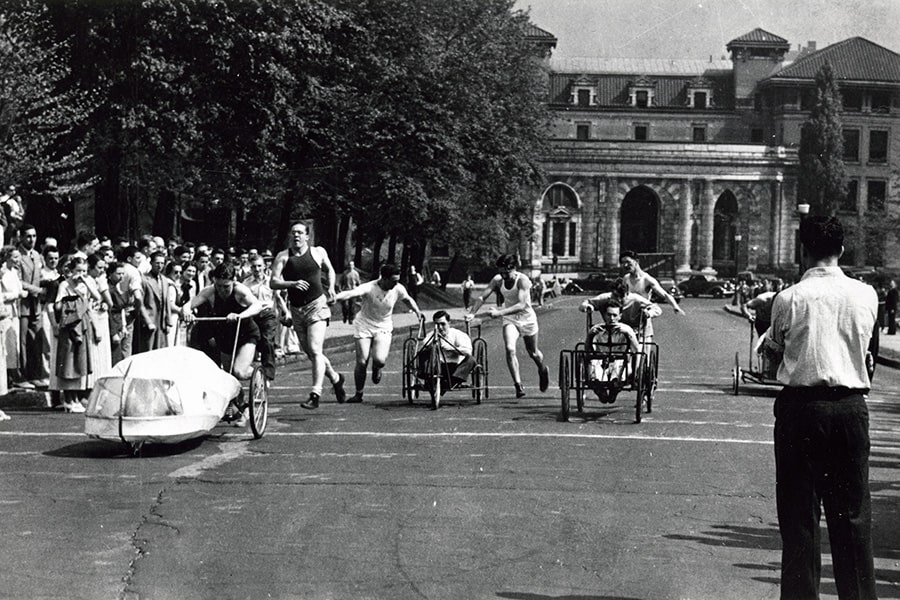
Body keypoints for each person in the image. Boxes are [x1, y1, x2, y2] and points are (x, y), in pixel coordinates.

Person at [762, 215, 878, 600]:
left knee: (800, 522)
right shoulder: (866, 295)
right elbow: (867, 353)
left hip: (802, 410)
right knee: (853, 521)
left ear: (803, 250)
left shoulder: (790, 298)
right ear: (842, 249)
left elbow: (771, 356)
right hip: (850, 408)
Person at [270, 222, 345, 409]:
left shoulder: (318, 252)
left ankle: (315, 394)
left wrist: (332, 288)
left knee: (315, 348)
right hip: (296, 309)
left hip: (317, 305)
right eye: (293, 232)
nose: (296, 236)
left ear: (307, 236)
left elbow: (330, 270)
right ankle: (336, 379)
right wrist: (291, 284)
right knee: (312, 353)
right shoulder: (283, 256)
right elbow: (273, 282)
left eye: (300, 233)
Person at [182, 262, 264, 426]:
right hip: (226, 336)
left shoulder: (240, 290)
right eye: (218, 285)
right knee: (229, 378)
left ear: (233, 281)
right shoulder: (210, 291)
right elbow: (190, 303)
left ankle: (258, 376)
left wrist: (241, 315)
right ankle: (243, 410)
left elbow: (257, 305)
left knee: (239, 371)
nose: (222, 290)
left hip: (246, 334)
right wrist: (187, 312)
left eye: (226, 286)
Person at [333, 263, 423, 403]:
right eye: (393, 281)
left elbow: (408, 299)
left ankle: (377, 368)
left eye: (397, 281)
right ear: (384, 278)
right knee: (362, 361)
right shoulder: (370, 287)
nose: (395, 284)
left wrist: (418, 312)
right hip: (364, 324)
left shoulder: (398, 288)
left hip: (383, 326)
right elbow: (350, 293)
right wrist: (334, 298)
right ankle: (359, 394)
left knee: (380, 360)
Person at [466, 254, 549, 399]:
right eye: (501, 272)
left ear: (514, 269)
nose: (504, 275)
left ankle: (542, 370)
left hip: (527, 318)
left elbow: (522, 304)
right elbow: (482, 297)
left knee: (533, 352)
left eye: (506, 272)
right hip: (510, 319)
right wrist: (472, 313)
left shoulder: (522, 280)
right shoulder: (498, 280)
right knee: (510, 348)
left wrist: (499, 312)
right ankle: (518, 385)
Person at [51, 256, 102, 413]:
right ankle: (68, 398)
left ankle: (76, 397)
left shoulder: (86, 284)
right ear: (71, 271)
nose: (81, 274)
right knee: (68, 360)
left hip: (83, 323)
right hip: (70, 323)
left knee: (80, 360)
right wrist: (69, 299)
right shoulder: (65, 284)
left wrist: (86, 282)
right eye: (78, 271)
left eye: (84, 271)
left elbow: (97, 297)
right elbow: (57, 304)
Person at [584, 298, 640, 403]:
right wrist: (591, 336)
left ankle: (615, 387)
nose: (612, 318)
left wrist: (629, 336)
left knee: (620, 365)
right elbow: (587, 351)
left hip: (620, 362)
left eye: (615, 315)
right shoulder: (596, 329)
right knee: (593, 363)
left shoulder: (627, 329)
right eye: (609, 315)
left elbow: (637, 350)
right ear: (604, 315)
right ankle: (599, 388)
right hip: (601, 361)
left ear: (620, 316)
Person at [242, 255, 281, 381]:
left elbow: (278, 298)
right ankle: (248, 369)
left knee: (267, 340)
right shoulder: (246, 283)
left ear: (264, 266)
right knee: (252, 341)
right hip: (253, 314)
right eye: (254, 267)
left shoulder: (271, 281)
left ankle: (268, 374)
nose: (257, 269)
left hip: (267, 314)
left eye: (259, 266)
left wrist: (286, 312)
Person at [17, 224, 45, 388]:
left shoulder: (37, 255)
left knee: (37, 340)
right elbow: (18, 280)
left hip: (36, 304)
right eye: (28, 236)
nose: (31, 240)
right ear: (21, 237)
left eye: (34, 236)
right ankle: (24, 376)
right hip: (23, 304)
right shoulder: (17, 256)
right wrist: (38, 290)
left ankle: (36, 374)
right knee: (23, 341)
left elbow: (40, 276)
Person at [417, 310, 475, 388]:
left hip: (455, 367)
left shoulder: (458, 334)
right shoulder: (431, 335)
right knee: (423, 353)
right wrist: (433, 344)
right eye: (437, 325)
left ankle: (453, 381)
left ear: (449, 323)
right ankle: (429, 379)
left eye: (443, 324)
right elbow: (424, 346)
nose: (440, 327)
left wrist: (451, 349)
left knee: (471, 359)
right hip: (438, 367)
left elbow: (467, 351)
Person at [619, 250, 685, 316]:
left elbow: (665, 294)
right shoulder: (626, 278)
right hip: (629, 316)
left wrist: (675, 306)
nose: (625, 265)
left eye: (628, 262)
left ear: (637, 261)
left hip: (643, 316)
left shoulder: (647, 279)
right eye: (623, 263)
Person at [133, 250, 169, 354]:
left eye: (162, 263)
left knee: (161, 351)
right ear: (151, 263)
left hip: (161, 322)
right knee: (147, 351)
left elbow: (166, 302)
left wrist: (168, 321)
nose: (160, 266)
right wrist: (147, 321)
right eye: (157, 263)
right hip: (149, 321)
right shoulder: (144, 279)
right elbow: (141, 303)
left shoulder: (164, 280)